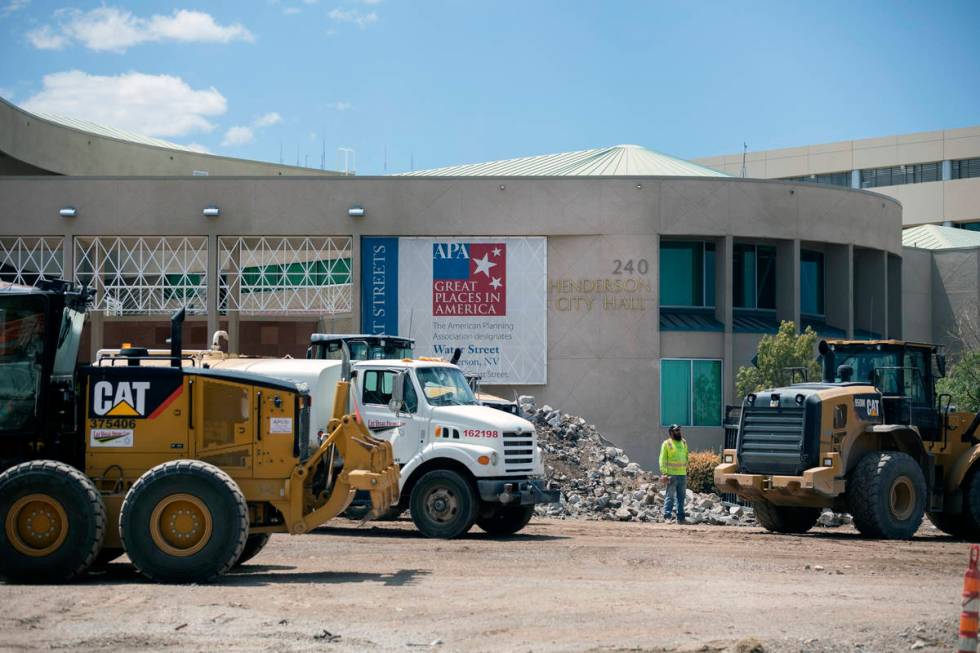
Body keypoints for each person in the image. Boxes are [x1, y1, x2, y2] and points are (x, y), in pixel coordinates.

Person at [659, 424, 689, 523]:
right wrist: (664, 473)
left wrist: (686, 470)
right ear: (671, 432)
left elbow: (686, 457)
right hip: (671, 475)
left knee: (681, 497)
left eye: (679, 430)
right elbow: (662, 459)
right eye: (676, 430)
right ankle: (667, 516)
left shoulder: (684, 442)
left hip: (682, 474)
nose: (679, 432)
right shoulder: (667, 443)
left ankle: (680, 518)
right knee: (670, 496)